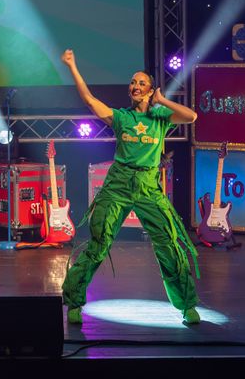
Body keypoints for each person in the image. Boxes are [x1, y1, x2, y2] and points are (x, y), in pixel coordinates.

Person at [59, 49, 202, 325]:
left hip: (149, 186)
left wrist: (162, 100)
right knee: (98, 244)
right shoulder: (122, 117)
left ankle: (186, 306)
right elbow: (90, 100)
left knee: (169, 245)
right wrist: (73, 66)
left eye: (141, 83)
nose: (135, 86)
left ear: (149, 91)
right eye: (133, 82)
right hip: (118, 185)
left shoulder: (160, 117)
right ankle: (74, 301)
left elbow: (191, 116)